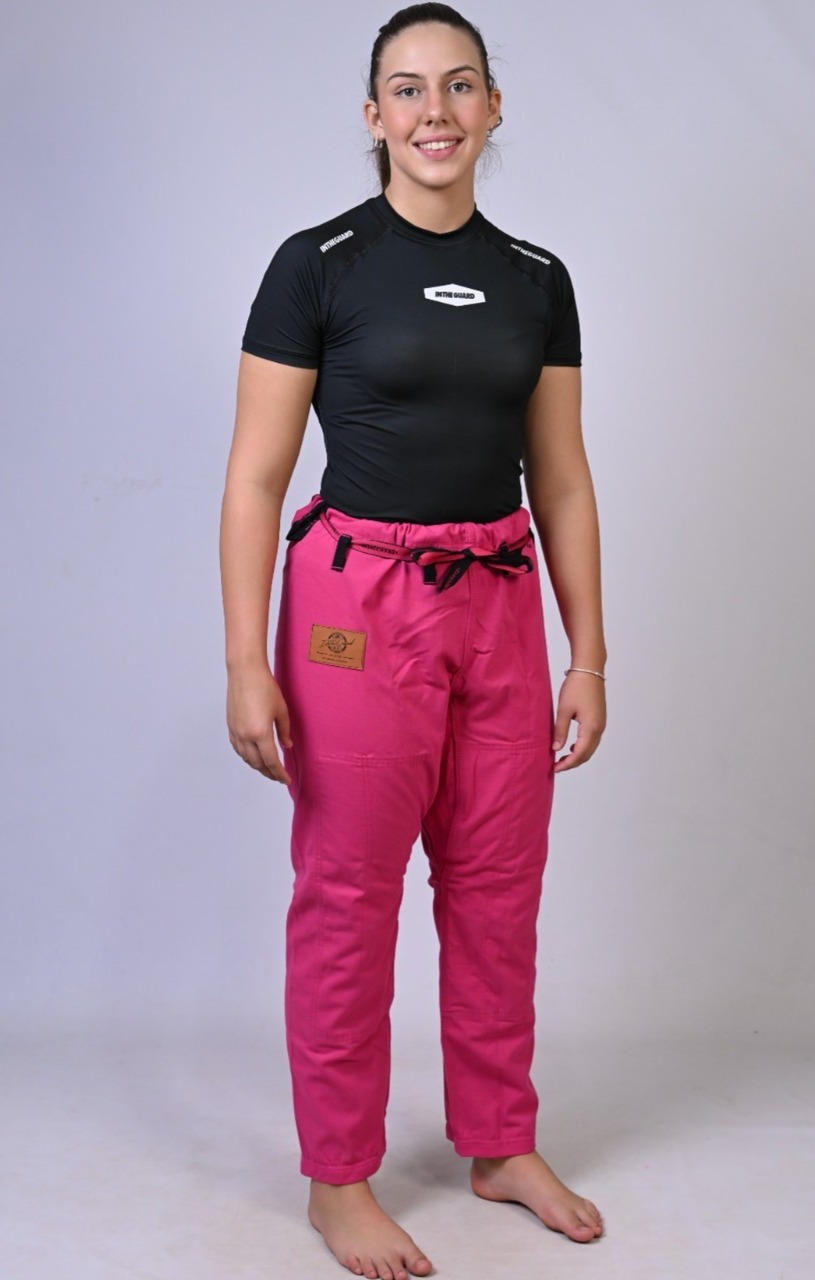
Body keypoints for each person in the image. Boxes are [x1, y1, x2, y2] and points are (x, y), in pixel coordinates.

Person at [219, 5, 607, 1277]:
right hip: (354, 611)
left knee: (498, 883)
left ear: (493, 107)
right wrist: (246, 660)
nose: (434, 110)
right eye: (406, 88)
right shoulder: (317, 264)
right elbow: (255, 477)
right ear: (373, 113)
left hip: (497, 600)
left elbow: (561, 478)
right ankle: (339, 1177)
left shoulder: (537, 278)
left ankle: (499, 1142)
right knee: (349, 892)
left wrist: (587, 653)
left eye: (458, 86)